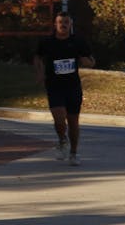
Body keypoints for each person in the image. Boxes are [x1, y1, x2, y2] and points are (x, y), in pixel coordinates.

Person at [33, 11, 95, 166]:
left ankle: (73, 153)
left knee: (73, 122)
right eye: (60, 22)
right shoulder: (47, 42)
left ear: (70, 25)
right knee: (59, 119)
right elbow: (37, 57)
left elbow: (91, 60)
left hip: (73, 86)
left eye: (66, 22)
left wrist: (87, 62)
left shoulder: (78, 41)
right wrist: (40, 73)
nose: (63, 25)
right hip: (54, 85)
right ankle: (62, 139)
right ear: (55, 24)